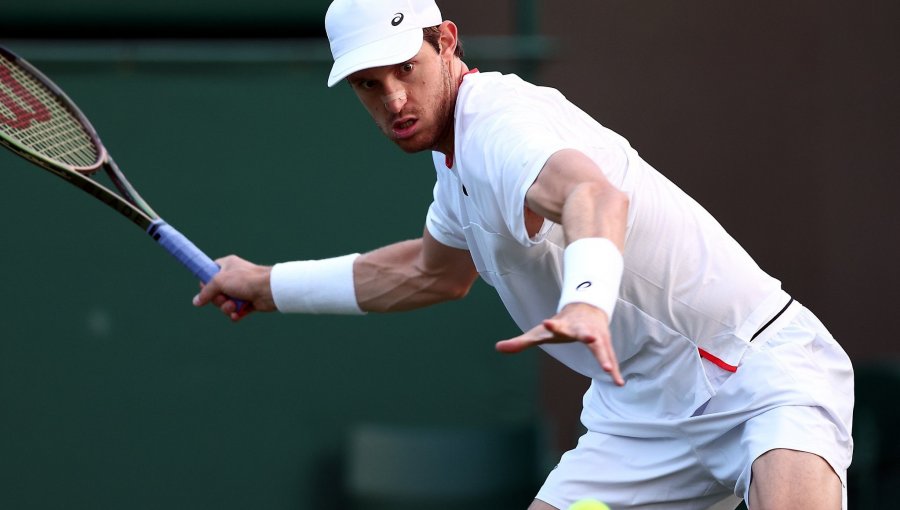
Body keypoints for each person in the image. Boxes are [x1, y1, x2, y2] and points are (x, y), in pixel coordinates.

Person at [192, 0, 854, 508]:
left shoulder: (501, 125)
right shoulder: (456, 170)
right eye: (369, 84)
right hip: (641, 419)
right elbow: (429, 272)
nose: (393, 98)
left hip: (760, 377)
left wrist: (587, 303)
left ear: (446, 42)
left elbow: (594, 195)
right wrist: (267, 285)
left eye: (406, 68)